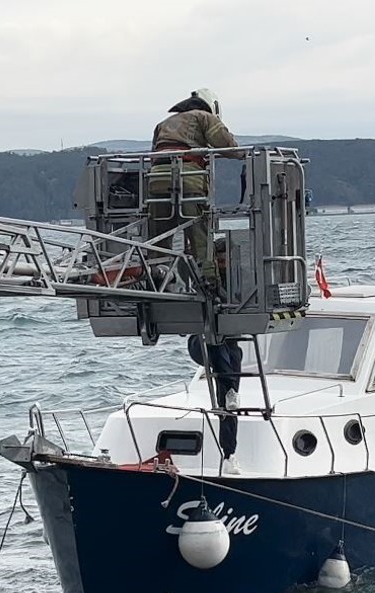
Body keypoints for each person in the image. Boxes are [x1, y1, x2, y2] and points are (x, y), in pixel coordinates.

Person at [146, 88, 241, 290]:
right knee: (199, 235)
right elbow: (228, 145)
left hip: (156, 180)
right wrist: (244, 155)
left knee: (159, 236)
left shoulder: (164, 123)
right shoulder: (204, 117)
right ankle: (210, 284)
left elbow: (155, 151)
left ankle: (158, 280)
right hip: (188, 179)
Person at [188, 334, 244, 475]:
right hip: (201, 340)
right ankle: (230, 389)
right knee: (218, 347)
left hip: (229, 344)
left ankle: (229, 455)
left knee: (234, 356)